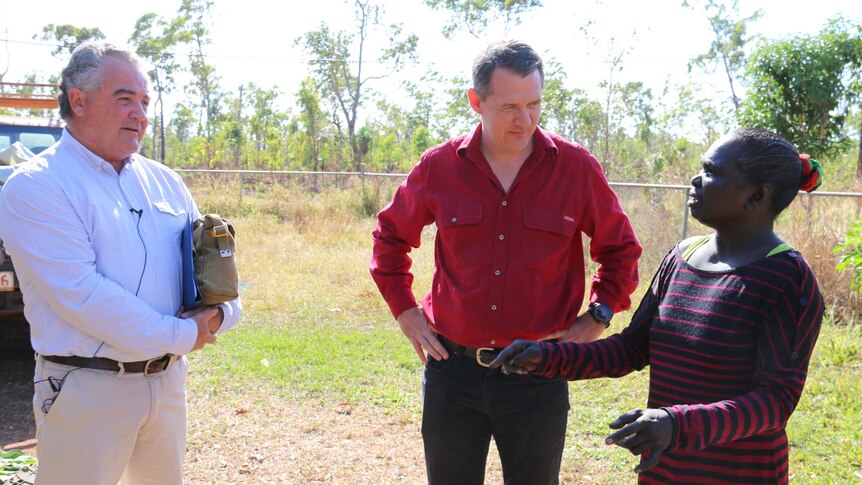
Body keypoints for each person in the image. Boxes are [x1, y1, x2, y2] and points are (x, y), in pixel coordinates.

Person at [370, 40, 642, 484]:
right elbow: (389, 238)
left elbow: (621, 250)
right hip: (452, 371)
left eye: (534, 104)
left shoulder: (575, 169)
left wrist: (599, 314)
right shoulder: (439, 167)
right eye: (509, 106)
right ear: (476, 101)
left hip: (538, 370)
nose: (525, 119)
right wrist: (406, 311)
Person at [491, 127, 825, 484]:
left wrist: (676, 424)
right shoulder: (682, 257)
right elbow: (633, 347)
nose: (696, 180)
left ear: (756, 196)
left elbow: (775, 401)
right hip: (665, 472)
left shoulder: (787, 278)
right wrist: (548, 357)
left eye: (712, 172)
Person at [0, 41, 241, 484]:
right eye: (124, 98)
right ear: (78, 100)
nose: (140, 114)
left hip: (166, 384)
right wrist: (187, 333)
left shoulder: (164, 181)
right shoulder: (36, 186)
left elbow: (209, 269)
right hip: (87, 390)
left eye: (145, 101)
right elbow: (83, 295)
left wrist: (223, 311)